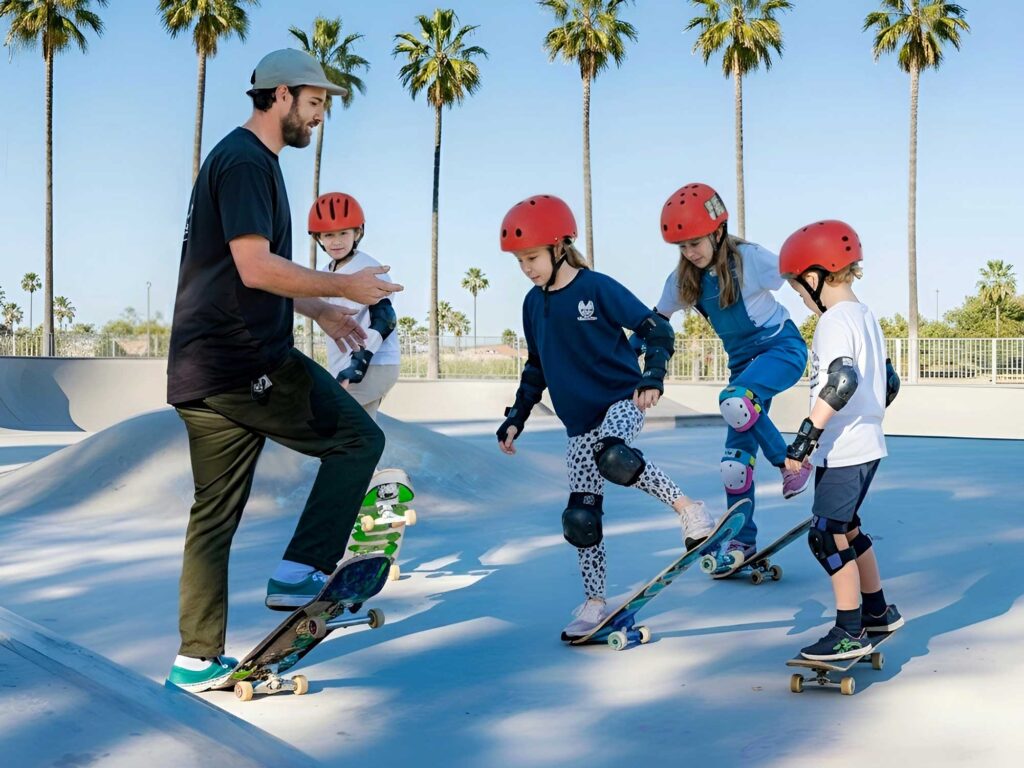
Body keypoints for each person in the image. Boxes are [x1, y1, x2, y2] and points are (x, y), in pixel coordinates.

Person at [165, 49, 401, 692]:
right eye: (315, 104)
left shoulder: (236, 161)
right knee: (360, 440)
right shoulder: (247, 162)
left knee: (214, 513)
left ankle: (194, 657)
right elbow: (253, 268)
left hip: (199, 370)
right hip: (245, 361)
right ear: (281, 96)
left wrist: (320, 308)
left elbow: (240, 271)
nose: (318, 118)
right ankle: (301, 571)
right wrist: (345, 287)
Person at [495, 194, 717, 638]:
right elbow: (536, 365)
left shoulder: (596, 288)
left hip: (621, 401)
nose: (527, 268)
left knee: (612, 455)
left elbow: (656, 327)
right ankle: (595, 602)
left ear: (560, 246)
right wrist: (516, 415)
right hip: (576, 423)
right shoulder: (532, 304)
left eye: (533, 257)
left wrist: (652, 376)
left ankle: (690, 510)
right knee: (581, 517)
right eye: (520, 261)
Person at [650, 183, 810, 565]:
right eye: (683, 246)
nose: (691, 253)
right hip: (744, 368)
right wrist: (625, 360)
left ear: (718, 231)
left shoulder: (750, 259)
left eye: (696, 242)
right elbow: (655, 323)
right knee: (734, 465)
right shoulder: (681, 281)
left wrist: (846, 329)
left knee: (734, 399)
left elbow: (803, 278)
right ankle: (741, 543)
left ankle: (789, 462)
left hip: (781, 349)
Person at [779, 219, 904, 660]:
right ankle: (877, 612)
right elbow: (889, 382)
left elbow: (842, 380)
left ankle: (849, 629)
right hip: (868, 443)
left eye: (798, 290)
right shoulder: (867, 317)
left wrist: (805, 439)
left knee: (826, 536)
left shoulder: (833, 321)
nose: (801, 299)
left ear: (813, 278)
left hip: (844, 447)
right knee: (848, 529)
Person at [309, 191, 400, 420]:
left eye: (343, 233)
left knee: (326, 416)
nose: (336, 241)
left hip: (373, 364)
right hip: (346, 365)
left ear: (357, 232)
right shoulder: (325, 273)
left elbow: (385, 318)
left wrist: (360, 361)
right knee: (363, 432)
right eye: (329, 235)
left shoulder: (368, 269)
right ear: (318, 238)